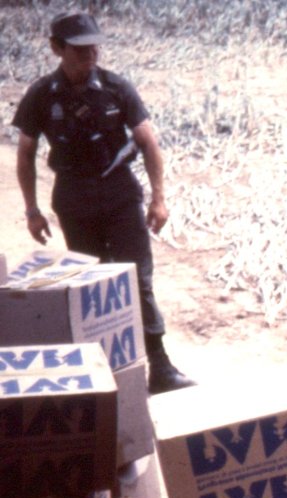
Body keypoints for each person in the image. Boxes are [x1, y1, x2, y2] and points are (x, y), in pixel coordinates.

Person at [12, 12, 194, 394]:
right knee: (93, 287)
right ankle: (107, 372)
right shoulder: (42, 95)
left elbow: (148, 143)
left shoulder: (116, 87)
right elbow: (25, 153)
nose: (90, 54)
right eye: (80, 49)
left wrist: (159, 199)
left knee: (137, 279)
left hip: (119, 193)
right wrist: (32, 210)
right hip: (73, 198)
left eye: (94, 46)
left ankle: (160, 366)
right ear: (56, 48)